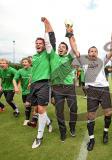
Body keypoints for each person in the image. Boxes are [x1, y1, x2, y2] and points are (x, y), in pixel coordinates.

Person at [71, 30, 112, 151]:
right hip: (91, 90)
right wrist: (70, 35)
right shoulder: (84, 62)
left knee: (108, 113)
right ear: (88, 53)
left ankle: (105, 132)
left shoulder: (102, 60)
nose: (93, 53)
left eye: (95, 51)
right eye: (91, 51)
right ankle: (91, 139)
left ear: (97, 53)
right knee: (91, 116)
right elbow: (75, 49)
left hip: (104, 89)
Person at [49, 19, 80, 142]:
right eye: (60, 47)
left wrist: (70, 33)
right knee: (59, 112)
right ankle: (63, 132)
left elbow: (74, 46)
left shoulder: (69, 57)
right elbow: (49, 44)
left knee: (74, 109)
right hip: (56, 88)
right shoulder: (53, 57)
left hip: (69, 88)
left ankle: (72, 127)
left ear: (66, 50)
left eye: (63, 47)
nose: (61, 48)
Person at [30, 17, 54, 149]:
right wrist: (30, 82)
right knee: (37, 109)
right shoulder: (34, 57)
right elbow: (34, 71)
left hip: (44, 84)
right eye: (36, 43)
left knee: (40, 109)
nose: (38, 44)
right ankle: (49, 122)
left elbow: (48, 38)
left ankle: (39, 137)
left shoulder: (47, 54)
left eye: (40, 43)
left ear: (44, 45)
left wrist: (46, 24)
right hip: (34, 84)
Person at [13, 57, 32, 125]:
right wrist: (16, 87)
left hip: (32, 91)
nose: (24, 63)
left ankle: (27, 120)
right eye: (23, 62)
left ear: (29, 63)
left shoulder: (33, 70)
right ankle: (37, 114)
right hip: (24, 91)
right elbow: (14, 79)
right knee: (26, 105)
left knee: (27, 104)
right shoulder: (20, 71)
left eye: (25, 62)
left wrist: (31, 83)